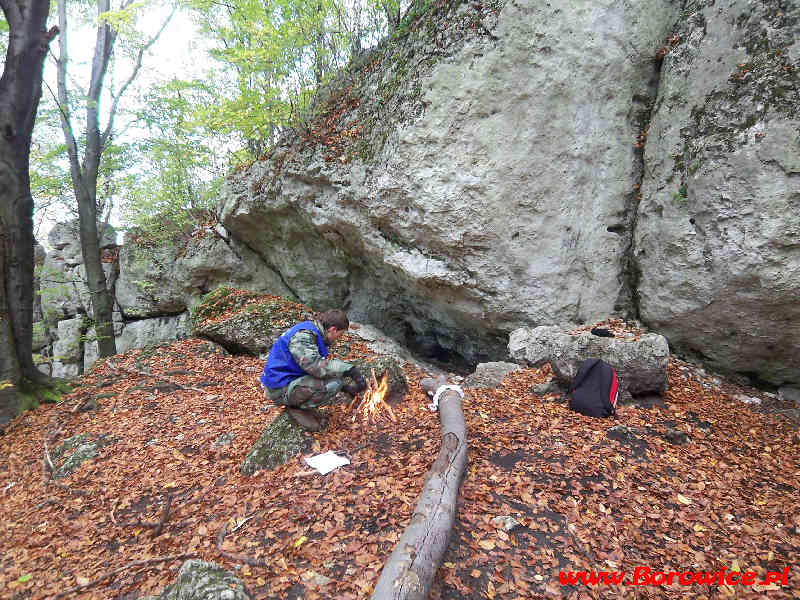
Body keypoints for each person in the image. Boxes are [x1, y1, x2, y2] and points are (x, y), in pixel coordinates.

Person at [259, 309, 367, 431]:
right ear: (333, 329)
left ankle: (297, 403)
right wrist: (350, 370)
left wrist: (345, 387)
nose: (339, 338)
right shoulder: (303, 337)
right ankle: (295, 407)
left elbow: (315, 367)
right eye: (340, 334)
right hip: (278, 389)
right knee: (334, 384)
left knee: (336, 381)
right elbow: (315, 366)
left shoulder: (312, 331)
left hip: (286, 380)